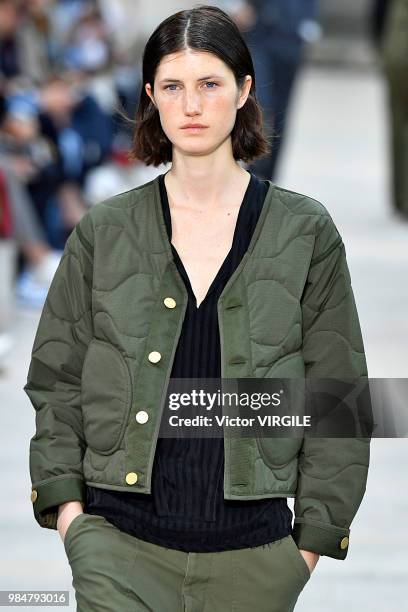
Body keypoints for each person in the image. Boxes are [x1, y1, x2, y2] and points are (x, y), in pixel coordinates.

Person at [24, 5, 371, 611]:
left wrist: (308, 546)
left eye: (210, 84)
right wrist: (71, 516)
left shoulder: (304, 232)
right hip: (117, 551)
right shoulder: (105, 232)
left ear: (244, 91)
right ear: (151, 97)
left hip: (255, 562)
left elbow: (338, 394)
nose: (191, 106)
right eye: (173, 87)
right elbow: (57, 378)